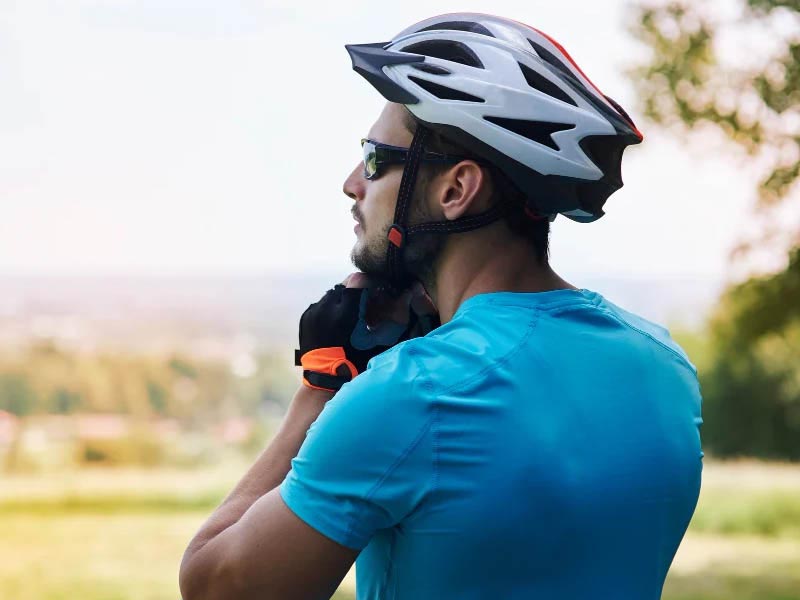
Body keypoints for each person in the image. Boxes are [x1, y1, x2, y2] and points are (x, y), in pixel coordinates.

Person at [179, 13, 703, 600]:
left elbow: (216, 586)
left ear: (456, 190)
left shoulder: (415, 393)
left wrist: (322, 390)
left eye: (376, 158)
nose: (353, 183)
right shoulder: (665, 366)